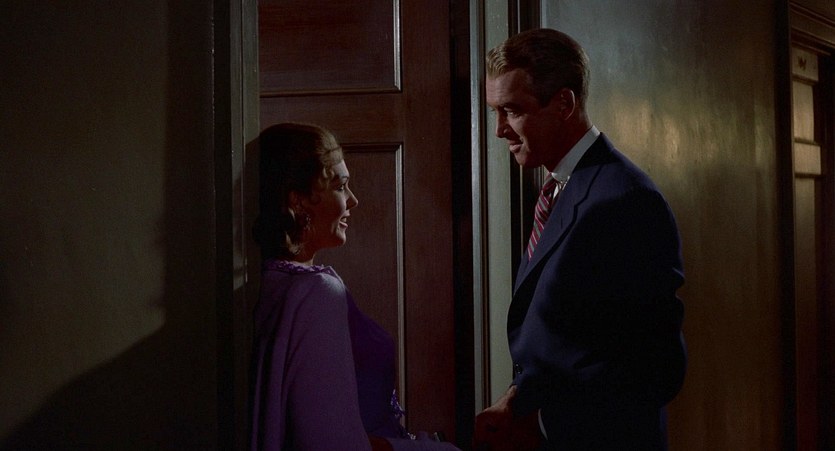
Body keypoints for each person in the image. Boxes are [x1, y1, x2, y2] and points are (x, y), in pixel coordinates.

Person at [473, 29, 686, 451]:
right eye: (495, 112)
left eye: (512, 111)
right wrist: (516, 400)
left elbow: (655, 368)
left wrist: (542, 425)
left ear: (564, 104)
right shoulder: (561, 188)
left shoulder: (625, 200)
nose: (498, 130)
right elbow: (568, 339)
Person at [249, 122, 460, 451]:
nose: (353, 200)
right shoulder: (317, 293)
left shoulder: (267, 283)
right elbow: (331, 442)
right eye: (340, 187)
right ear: (298, 200)